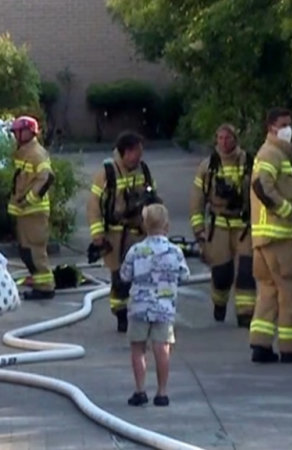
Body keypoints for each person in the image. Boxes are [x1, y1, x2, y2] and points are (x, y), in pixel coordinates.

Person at [248, 107, 292, 364]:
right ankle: (290, 348)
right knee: (290, 292)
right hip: (281, 237)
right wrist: (290, 211)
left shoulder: (281, 156)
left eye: (289, 123)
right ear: (271, 128)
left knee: (268, 293)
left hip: (265, 239)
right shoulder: (272, 154)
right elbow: (262, 186)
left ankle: (261, 346)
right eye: (284, 124)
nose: (288, 128)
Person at [87, 131, 160, 333]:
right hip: (116, 235)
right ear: (126, 152)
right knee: (119, 278)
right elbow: (94, 205)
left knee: (144, 275)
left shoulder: (143, 170)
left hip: (139, 232)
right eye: (137, 152)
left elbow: (154, 200)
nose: (139, 157)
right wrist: (98, 234)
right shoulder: (107, 172)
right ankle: (121, 315)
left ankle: (143, 313)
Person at [119, 204, 190, 407]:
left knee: (138, 349)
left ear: (144, 225)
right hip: (164, 309)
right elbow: (184, 275)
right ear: (167, 226)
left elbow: (124, 276)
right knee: (162, 349)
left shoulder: (136, 250)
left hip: (139, 307)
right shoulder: (175, 251)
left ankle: (140, 390)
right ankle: (162, 392)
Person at [189, 124, 256, 327]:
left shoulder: (249, 162)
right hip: (219, 226)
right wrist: (199, 231)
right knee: (222, 274)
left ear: (236, 139)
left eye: (228, 138)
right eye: (220, 138)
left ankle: (246, 314)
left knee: (246, 272)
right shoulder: (207, 166)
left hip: (244, 226)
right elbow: (197, 201)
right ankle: (219, 303)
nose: (224, 142)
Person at [7, 116, 56, 300]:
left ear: (29, 132)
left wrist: (29, 200)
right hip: (25, 213)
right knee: (27, 252)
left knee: (35, 251)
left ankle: (45, 287)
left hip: (34, 212)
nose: (16, 136)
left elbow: (46, 177)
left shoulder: (36, 153)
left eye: (18, 132)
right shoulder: (25, 152)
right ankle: (40, 283)